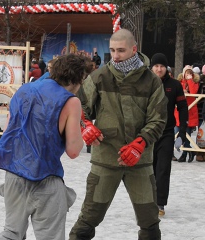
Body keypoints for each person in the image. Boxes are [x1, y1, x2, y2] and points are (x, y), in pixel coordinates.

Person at [69, 29, 168, 240]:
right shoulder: (100, 76)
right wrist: (84, 125)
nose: (115, 56)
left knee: (149, 221)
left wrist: (140, 143)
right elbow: (78, 106)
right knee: (88, 218)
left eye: (121, 50)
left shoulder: (151, 81)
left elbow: (158, 119)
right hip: (105, 159)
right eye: (112, 50)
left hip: (140, 162)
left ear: (134, 49)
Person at [0, 54, 93, 240]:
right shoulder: (71, 102)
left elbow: (7, 132)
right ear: (79, 78)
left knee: (11, 233)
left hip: (14, 174)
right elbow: (73, 150)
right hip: (46, 177)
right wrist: (82, 129)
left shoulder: (24, 90)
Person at [150, 53, 188, 216]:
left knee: (163, 168)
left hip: (166, 133)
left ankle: (160, 203)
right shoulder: (145, 83)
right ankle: (147, 201)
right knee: (148, 169)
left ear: (166, 68)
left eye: (162, 66)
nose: (159, 69)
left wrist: (182, 132)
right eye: (156, 66)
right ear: (151, 68)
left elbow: (183, 108)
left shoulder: (175, 85)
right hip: (148, 133)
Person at [175, 65, 199, 162]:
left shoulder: (194, 83)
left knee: (187, 134)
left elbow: (193, 91)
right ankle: (188, 151)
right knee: (176, 133)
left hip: (190, 112)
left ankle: (185, 153)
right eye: (187, 72)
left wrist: (190, 81)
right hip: (179, 111)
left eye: (190, 73)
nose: (188, 74)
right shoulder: (179, 83)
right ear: (183, 73)